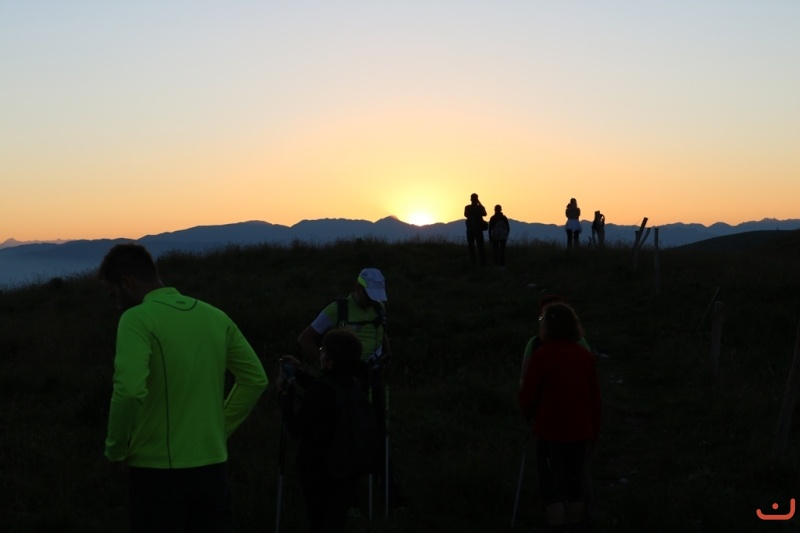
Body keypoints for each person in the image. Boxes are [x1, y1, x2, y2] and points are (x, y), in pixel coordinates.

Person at [98, 242, 268, 533]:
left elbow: (129, 392)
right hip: (212, 468)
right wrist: (220, 429)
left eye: (114, 296)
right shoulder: (215, 316)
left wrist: (116, 451)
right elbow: (255, 380)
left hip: (155, 474)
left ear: (127, 283)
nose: (116, 305)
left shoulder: (136, 319)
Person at [297, 268, 394, 501]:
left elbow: (381, 330)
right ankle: (350, 491)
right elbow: (305, 338)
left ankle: (386, 486)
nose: (373, 300)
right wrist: (327, 365)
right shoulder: (337, 309)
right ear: (358, 288)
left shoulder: (379, 307)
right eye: (369, 294)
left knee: (379, 430)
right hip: (348, 381)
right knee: (349, 434)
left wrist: (387, 351)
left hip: (375, 377)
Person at [519, 302, 601, 533]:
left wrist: (528, 416)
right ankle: (576, 526)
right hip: (579, 434)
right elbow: (595, 400)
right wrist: (594, 435)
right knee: (574, 483)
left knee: (551, 485)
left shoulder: (542, 356)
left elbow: (527, 396)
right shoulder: (585, 358)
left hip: (549, 436)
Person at [280, 329, 373, 533]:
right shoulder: (355, 385)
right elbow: (325, 386)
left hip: (318, 471)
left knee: (318, 522)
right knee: (335, 521)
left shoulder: (321, 391)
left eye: (323, 350)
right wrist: (298, 372)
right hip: (346, 468)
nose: (320, 353)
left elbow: (296, 428)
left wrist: (285, 398)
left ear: (329, 361)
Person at [464, 192, 488, 265]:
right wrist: (479, 203)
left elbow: (466, 215)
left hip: (471, 230)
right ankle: (482, 262)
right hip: (476, 230)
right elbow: (485, 213)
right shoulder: (479, 208)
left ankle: (474, 262)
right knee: (480, 246)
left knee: (472, 246)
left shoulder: (468, 207)